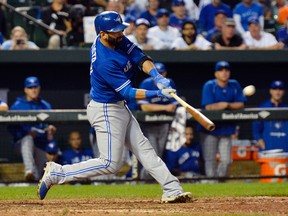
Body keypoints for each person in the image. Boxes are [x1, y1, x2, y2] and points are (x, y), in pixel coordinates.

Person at [37, 11, 192, 203]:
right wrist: (157, 94)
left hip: (118, 106)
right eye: (115, 31)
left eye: (121, 29)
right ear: (102, 34)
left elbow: (139, 57)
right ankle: (57, 173)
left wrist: (157, 77)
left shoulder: (115, 39)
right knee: (110, 164)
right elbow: (127, 92)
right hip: (106, 109)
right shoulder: (104, 61)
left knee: (145, 150)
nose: (120, 33)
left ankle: (172, 189)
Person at [198, 61, 246, 179]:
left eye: (226, 70)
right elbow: (208, 107)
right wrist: (222, 105)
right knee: (210, 161)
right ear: (216, 73)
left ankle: (217, 182)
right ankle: (212, 187)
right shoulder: (210, 85)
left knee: (226, 160)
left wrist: (227, 105)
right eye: (221, 70)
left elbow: (241, 104)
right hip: (210, 129)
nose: (224, 72)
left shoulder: (234, 85)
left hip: (226, 128)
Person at [9, 76, 57, 181]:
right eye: (30, 87)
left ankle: (32, 182)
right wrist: (25, 133)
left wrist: (51, 128)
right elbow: (10, 127)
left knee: (38, 177)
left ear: (39, 88)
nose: (34, 90)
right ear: (26, 90)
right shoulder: (17, 106)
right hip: (21, 144)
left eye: (35, 87)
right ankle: (29, 170)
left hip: (41, 144)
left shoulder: (45, 105)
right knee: (28, 139)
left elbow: (51, 124)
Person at [252, 80, 288, 153]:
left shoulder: (286, 109)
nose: (277, 92)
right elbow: (256, 131)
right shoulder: (263, 108)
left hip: (285, 151)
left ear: (284, 92)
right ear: (270, 91)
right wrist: (263, 147)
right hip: (268, 152)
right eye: (275, 89)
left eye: (280, 89)